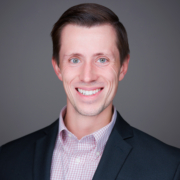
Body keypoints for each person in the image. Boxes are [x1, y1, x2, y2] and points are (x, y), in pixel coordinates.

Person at [0, 3, 180, 180]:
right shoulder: (7, 159)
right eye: (75, 60)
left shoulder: (170, 166)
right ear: (58, 68)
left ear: (123, 67)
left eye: (102, 60)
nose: (87, 77)